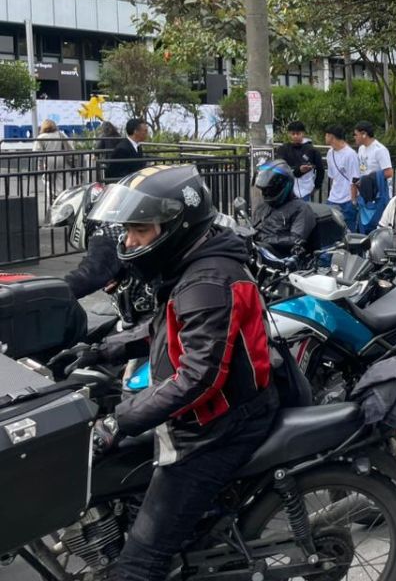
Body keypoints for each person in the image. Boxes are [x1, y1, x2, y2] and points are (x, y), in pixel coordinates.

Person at [68, 164, 277, 581]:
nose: (128, 242)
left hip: (219, 426)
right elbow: (168, 324)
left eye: (139, 231)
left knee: (138, 564)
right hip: (209, 413)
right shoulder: (194, 264)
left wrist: (119, 421)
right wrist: (98, 350)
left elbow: (198, 376)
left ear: (177, 226)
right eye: (127, 231)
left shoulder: (208, 280)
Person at [50, 181, 121, 299]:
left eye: (70, 221)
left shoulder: (105, 233)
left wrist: (45, 294)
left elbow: (87, 277)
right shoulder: (116, 224)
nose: (70, 224)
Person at [250, 160, 316, 258]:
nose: (265, 193)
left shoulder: (301, 208)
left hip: (279, 258)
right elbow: (253, 228)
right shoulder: (264, 205)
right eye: (264, 190)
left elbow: (296, 240)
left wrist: (264, 238)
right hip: (256, 251)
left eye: (269, 190)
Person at [354, 121, 393, 232]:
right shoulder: (361, 149)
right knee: (364, 226)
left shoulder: (379, 149)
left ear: (364, 134)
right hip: (365, 193)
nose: (354, 137)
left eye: (356, 134)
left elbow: (389, 172)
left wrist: (370, 178)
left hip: (378, 195)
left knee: (376, 227)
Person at [276, 121, 325, 202]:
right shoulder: (283, 149)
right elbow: (280, 167)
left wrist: (317, 186)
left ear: (303, 133)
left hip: (305, 191)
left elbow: (320, 169)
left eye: (298, 134)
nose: (295, 136)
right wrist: (298, 170)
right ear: (289, 134)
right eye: (293, 134)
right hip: (288, 191)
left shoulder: (312, 150)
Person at [323, 124, 359, 228]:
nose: (325, 137)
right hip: (333, 198)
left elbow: (355, 179)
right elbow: (332, 176)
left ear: (331, 136)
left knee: (348, 230)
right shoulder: (330, 153)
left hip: (347, 200)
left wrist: (353, 201)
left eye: (326, 135)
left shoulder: (350, 154)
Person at [35, 119, 76, 200]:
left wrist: (40, 166)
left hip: (48, 160)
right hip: (62, 159)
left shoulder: (41, 137)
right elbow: (69, 147)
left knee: (48, 179)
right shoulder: (60, 134)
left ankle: (52, 196)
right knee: (62, 179)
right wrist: (72, 161)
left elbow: (37, 153)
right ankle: (62, 196)